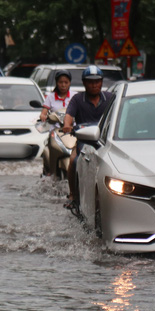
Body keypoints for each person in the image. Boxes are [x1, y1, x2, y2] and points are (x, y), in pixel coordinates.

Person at [62, 65, 115, 209]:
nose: (94, 85)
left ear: (102, 82)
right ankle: (73, 194)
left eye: (97, 81)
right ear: (84, 83)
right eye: (90, 82)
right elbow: (68, 117)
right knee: (73, 161)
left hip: (105, 142)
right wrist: (68, 126)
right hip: (83, 142)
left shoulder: (110, 98)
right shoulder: (77, 99)